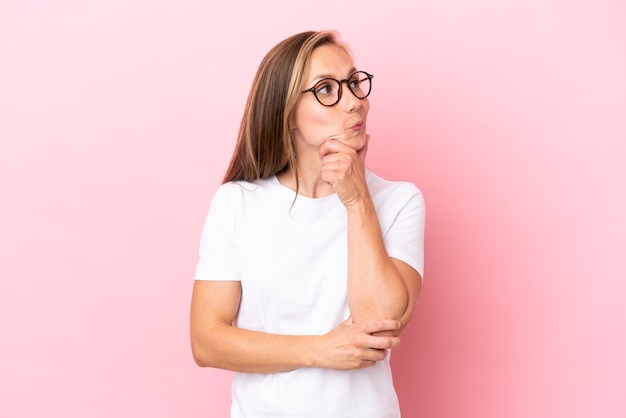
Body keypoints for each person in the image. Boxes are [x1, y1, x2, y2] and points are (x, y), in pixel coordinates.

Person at [190, 30, 425, 417]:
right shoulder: (237, 203)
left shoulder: (399, 201)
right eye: (326, 89)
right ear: (287, 111)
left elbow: (380, 325)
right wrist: (320, 349)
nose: (353, 102)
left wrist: (356, 199)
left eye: (353, 83)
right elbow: (207, 341)